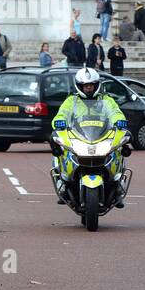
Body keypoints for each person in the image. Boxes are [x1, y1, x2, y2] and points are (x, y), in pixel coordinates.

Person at [53, 68, 130, 206]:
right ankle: (63, 184)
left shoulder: (106, 100)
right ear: (79, 86)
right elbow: (61, 114)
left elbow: (115, 112)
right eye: (86, 86)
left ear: (96, 85)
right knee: (59, 149)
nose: (89, 88)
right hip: (79, 136)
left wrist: (119, 120)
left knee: (118, 150)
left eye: (91, 85)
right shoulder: (72, 101)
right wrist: (59, 122)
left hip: (101, 135)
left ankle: (118, 187)